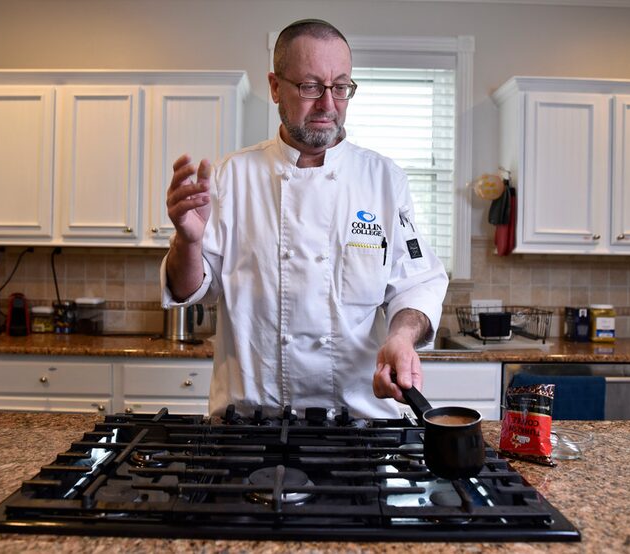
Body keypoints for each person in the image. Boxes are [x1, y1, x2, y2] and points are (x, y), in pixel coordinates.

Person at [161, 19, 448, 419]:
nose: (328, 105)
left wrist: (401, 336)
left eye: (341, 87)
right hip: (250, 429)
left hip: (361, 428)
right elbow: (193, 289)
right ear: (276, 87)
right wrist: (187, 243)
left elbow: (416, 282)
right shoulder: (230, 177)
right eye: (311, 86)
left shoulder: (384, 180)